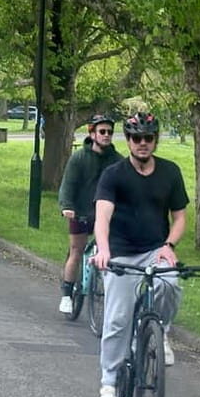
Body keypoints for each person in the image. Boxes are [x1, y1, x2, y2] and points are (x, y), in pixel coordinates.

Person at [91, 111, 189, 397]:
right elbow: (102, 217)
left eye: (148, 138)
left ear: (155, 140)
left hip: (155, 250)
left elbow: (179, 217)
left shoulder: (170, 172)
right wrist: (104, 250)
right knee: (117, 319)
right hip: (120, 252)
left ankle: (159, 332)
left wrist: (169, 246)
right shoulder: (114, 174)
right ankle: (109, 385)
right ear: (128, 140)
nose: (142, 143)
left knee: (170, 283)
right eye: (136, 138)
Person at [57, 114, 123, 314]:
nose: (106, 135)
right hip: (81, 212)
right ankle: (67, 294)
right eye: (102, 131)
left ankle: (112, 294)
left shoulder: (118, 161)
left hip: (106, 215)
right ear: (92, 134)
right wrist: (67, 207)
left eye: (110, 132)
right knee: (76, 251)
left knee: (111, 253)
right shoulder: (79, 158)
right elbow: (68, 185)